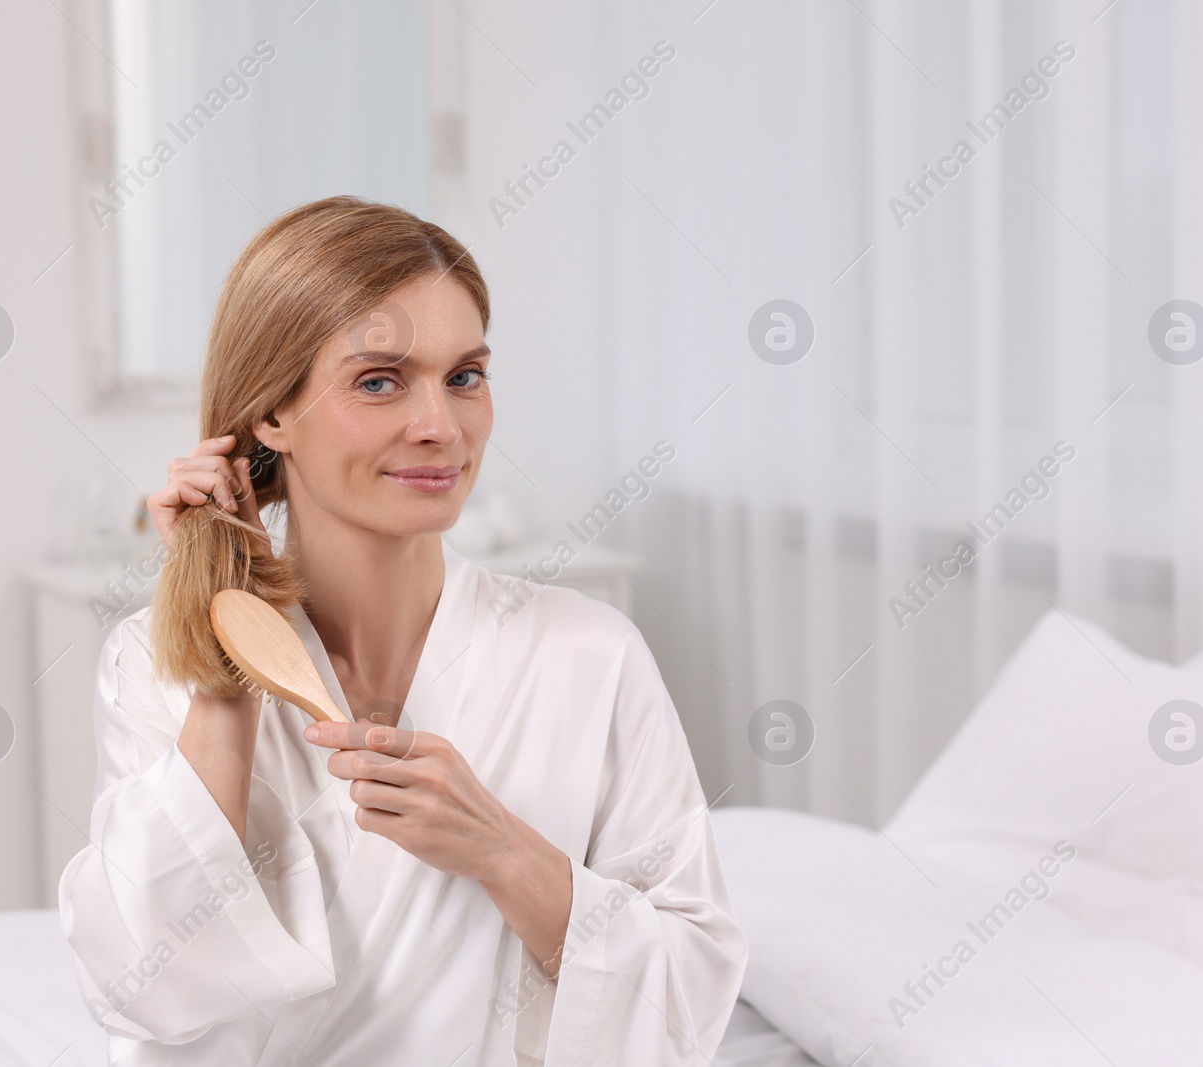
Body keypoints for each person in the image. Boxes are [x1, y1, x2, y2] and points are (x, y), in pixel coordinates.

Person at [57, 196, 746, 1065]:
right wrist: (226, 670)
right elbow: (135, 982)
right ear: (273, 413)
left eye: (465, 375)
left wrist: (502, 850)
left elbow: (691, 996)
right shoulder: (153, 664)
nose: (441, 426)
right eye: (379, 380)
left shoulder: (589, 655)